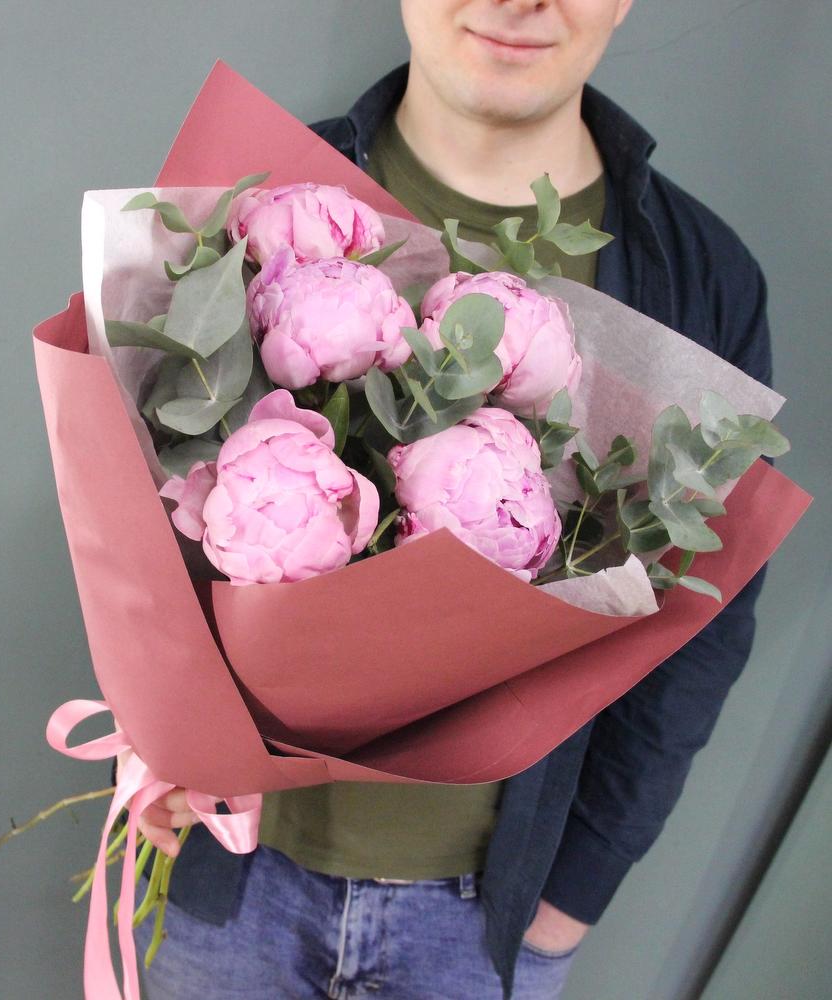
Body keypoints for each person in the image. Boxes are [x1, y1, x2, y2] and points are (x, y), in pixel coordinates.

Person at [129, 2, 773, 997]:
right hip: (231, 875)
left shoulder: (700, 278)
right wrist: (162, 740)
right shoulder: (257, 202)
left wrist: (571, 899)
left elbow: (701, 624)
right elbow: (138, 516)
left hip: (478, 928)